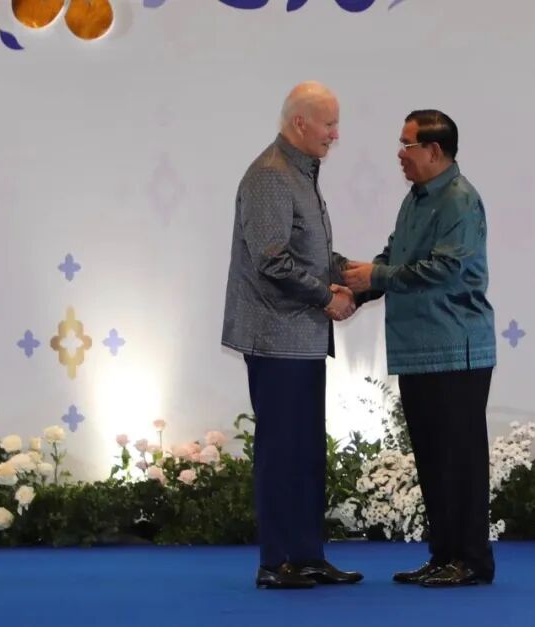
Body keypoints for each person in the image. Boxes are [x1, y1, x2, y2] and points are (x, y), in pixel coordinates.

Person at [343, 109, 497, 587]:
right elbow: (394, 258)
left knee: (459, 461)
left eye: (407, 145)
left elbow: (445, 270)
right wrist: (357, 290)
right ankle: (443, 554)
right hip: (418, 349)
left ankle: (471, 560)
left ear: (434, 150)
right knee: (432, 459)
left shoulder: (460, 200)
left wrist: (376, 275)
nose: (400, 154)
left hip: (455, 349)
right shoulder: (415, 199)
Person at [221, 80, 363, 590]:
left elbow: (310, 256)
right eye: (330, 124)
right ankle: (276, 561)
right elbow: (272, 260)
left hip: (298, 339)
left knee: (303, 453)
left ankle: (306, 556)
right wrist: (327, 296)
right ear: (300, 123)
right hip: (275, 336)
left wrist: (358, 276)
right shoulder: (271, 174)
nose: (336, 134)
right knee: (282, 452)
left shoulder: (298, 172)